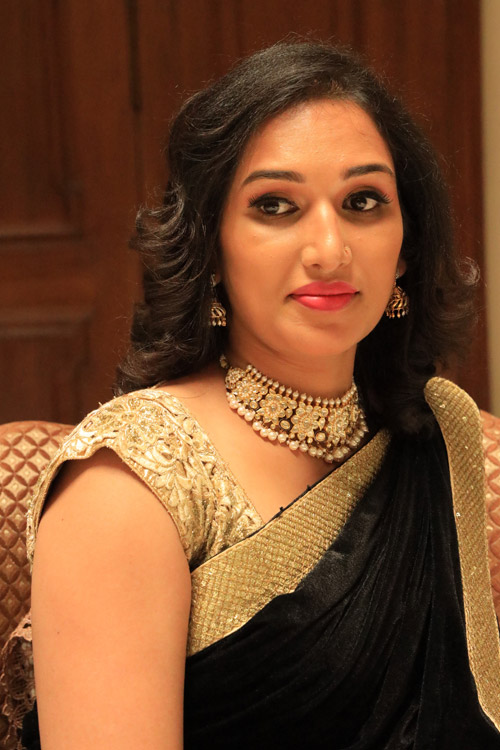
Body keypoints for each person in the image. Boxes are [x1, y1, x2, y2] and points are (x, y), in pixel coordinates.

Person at [18, 40, 500, 748]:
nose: (329, 250)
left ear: (405, 246)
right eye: (276, 206)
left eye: (363, 201)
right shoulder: (133, 481)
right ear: (210, 247)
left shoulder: (435, 429)